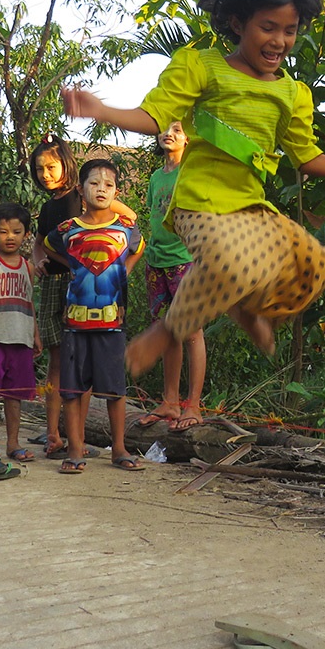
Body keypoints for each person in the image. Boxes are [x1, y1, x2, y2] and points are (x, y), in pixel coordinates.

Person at [62, 0, 325, 382]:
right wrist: (103, 110)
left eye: (290, 31)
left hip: (248, 208)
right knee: (230, 258)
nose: (279, 41)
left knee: (318, 265)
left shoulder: (293, 94)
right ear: (239, 23)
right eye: (268, 28)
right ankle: (168, 330)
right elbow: (155, 116)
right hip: (199, 204)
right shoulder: (204, 66)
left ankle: (244, 307)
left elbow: (307, 158)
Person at [29, 134, 134, 458]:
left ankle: (78, 438)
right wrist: (41, 262)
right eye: (39, 169)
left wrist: (118, 268)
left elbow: (127, 220)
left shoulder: (85, 194)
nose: (45, 174)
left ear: (66, 163)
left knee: (86, 367)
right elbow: (40, 243)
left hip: (98, 293)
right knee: (60, 363)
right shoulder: (49, 208)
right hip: (59, 289)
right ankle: (54, 435)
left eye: (51, 166)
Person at [44, 158, 146, 474]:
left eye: (108, 185)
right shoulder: (67, 230)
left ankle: (119, 448)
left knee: (115, 388)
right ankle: (74, 449)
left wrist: (123, 272)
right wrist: (74, 266)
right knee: (73, 389)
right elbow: (47, 246)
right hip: (75, 322)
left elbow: (139, 248)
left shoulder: (126, 228)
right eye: (94, 183)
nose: (101, 189)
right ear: (80, 188)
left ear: (116, 191)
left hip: (113, 321)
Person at [138, 121, 208, 432]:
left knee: (191, 332)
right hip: (157, 260)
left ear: (189, 137)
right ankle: (170, 401)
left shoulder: (194, 171)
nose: (170, 133)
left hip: (186, 261)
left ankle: (193, 404)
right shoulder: (156, 177)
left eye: (178, 129)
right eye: (166, 128)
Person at [0, 202, 42, 470]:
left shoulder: (28, 267)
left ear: (26, 234)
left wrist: (35, 333)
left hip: (21, 338)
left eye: (16, 231)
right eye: (3, 231)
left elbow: (29, 301)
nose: (10, 237)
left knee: (15, 395)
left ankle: (13, 443)